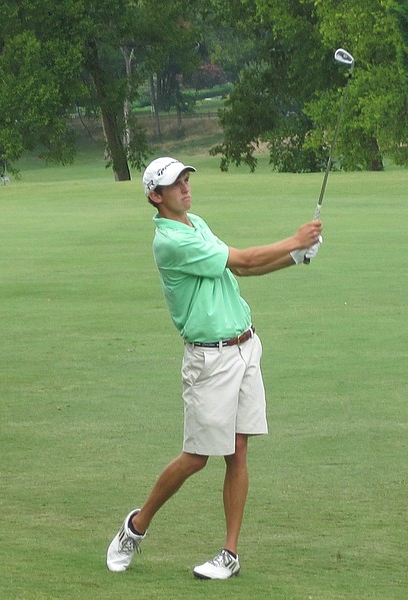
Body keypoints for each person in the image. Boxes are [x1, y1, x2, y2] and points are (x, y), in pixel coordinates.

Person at [106, 156, 323, 580]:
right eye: (176, 184)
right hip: (209, 359)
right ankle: (135, 527)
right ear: (156, 195)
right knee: (195, 458)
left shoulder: (196, 223)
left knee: (239, 450)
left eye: (187, 180)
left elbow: (244, 268)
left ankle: (229, 554)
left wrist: (296, 256)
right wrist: (294, 240)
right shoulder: (169, 241)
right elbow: (242, 259)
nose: (186, 188)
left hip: (245, 347)